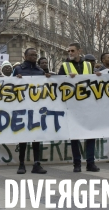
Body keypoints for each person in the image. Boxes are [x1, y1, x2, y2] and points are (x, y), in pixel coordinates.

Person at [58, 43, 100, 173]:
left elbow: (92, 80)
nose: (70, 53)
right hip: (73, 106)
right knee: (75, 136)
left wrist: (98, 76)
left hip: (87, 105)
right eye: (68, 51)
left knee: (90, 134)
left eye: (72, 50)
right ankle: (77, 164)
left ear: (79, 51)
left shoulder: (87, 65)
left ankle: (90, 163)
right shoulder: (64, 66)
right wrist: (65, 78)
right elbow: (58, 83)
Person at [13, 48, 50, 175]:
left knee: (36, 137)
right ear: (25, 56)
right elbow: (10, 87)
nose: (34, 57)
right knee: (23, 137)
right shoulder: (18, 70)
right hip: (22, 108)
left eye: (35, 55)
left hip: (36, 108)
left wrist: (48, 79)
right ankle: (21, 164)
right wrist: (15, 79)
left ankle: (36, 164)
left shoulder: (40, 71)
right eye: (31, 55)